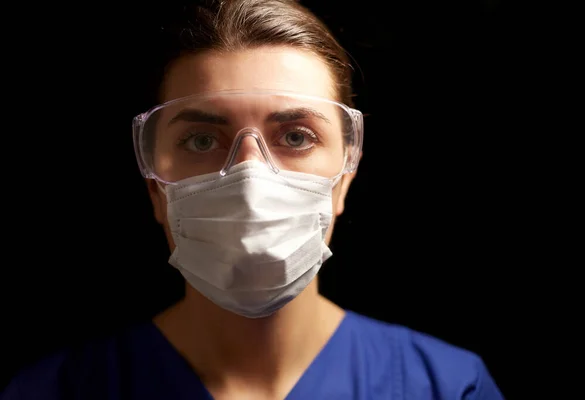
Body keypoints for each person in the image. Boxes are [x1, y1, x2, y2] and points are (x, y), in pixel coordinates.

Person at [1, 0, 504, 399]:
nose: (250, 178)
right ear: (155, 187)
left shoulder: (446, 388)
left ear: (345, 179)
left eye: (295, 137)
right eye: (201, 140)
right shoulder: (57, 390)